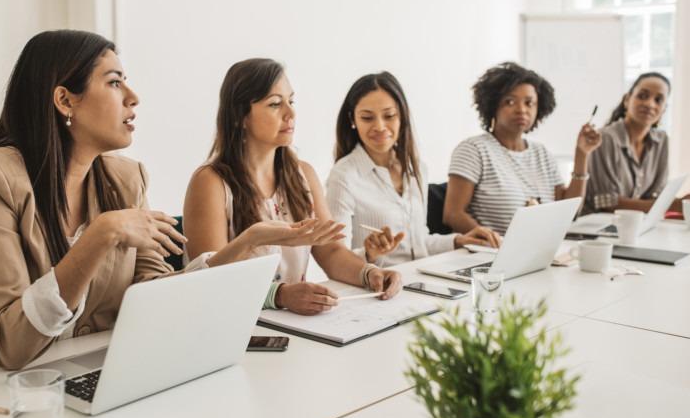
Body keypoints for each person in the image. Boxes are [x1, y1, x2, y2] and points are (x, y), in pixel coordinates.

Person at [183, 59, 403, 316]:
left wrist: (370, 273)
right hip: (229, 323)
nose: (291, 113)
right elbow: (206, 281)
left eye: (291, 101)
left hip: (292, 324)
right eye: (275, 104)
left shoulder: (303, 175)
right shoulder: (210, 182)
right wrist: (279, 295)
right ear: (240, 117)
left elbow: (330, 252)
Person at [325, 72, 499, 267]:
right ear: (353, 120)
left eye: (389, 116)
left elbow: (419, 242)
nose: (380, 126)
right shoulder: (344, 176)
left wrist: (459, 240)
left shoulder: (416, 168)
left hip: (421, 276)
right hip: (378, 287)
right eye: (367, 118)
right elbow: (336, 257)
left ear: (402, 117)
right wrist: (369, 254)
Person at [444, 62, 602, 235]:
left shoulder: (542, 153)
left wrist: (581, 154)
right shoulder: (473, 149)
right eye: (510, 102)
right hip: (490, 254)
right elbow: (453, 215)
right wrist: (498, 243)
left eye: (529, 103)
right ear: (492, 105)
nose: (521, 110)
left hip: (538, 251)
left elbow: (567, 212)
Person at [584, 72, 690, 214]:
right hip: (597, 225)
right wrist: (670, 205)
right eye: (642, 96)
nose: (650, 104)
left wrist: (683, 201)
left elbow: (656, 195)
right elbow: (608, 203)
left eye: (658, 100)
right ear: (627, 100)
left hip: (636, 224)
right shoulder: (604, 138)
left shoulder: (661, 141)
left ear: (664, 110)